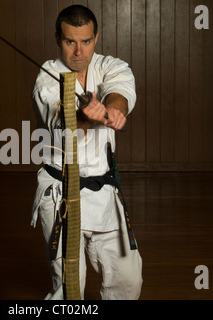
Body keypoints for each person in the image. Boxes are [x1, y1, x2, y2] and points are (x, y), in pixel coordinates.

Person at [31, 5, 143, 300]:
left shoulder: (110, 65)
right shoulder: (47, 76)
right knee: (70, 288)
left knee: (128, 279)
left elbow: (119, 90)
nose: (79, 51)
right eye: (70, 42)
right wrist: (87, 116)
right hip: (61, 194)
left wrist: (114, 110)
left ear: (96, 38)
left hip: (105, 193)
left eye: (86, 41)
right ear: (58, 38)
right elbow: (62, 119)